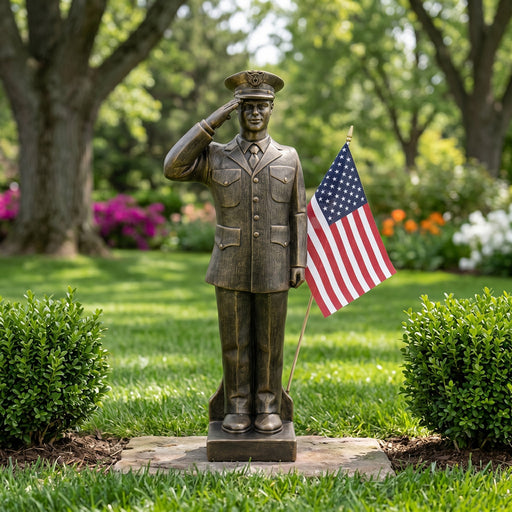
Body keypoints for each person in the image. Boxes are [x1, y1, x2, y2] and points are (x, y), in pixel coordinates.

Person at [164, 70, 307, 435]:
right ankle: (237, 405)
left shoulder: (288, 158)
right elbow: (173, 167)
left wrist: (298, 261)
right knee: (235, 342)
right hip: (229, 263)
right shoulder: (216, 156)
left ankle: (268, 406)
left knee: (270, 343)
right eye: (246, 107)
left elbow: (298, 213)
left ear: (272, 109)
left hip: (275, 262)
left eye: (262, 106)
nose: (255, 113)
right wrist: (212, 121)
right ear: (236, 111)